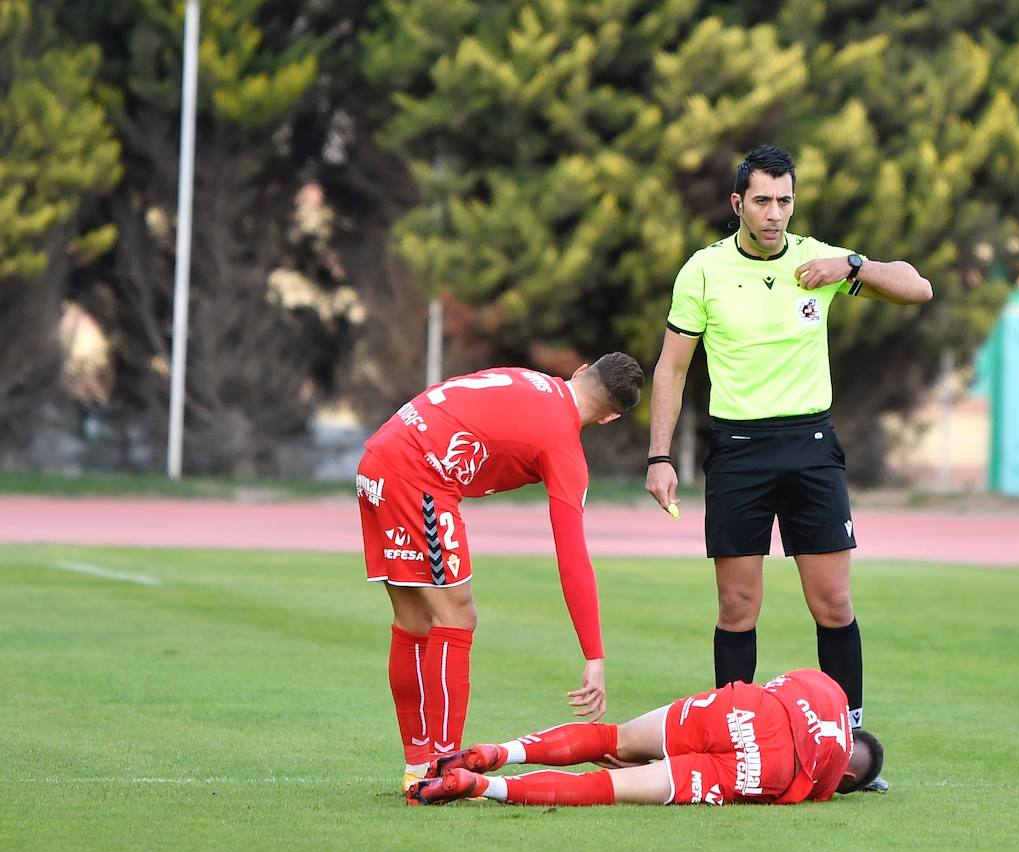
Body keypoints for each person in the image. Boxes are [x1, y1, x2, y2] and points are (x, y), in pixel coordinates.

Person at [644, 145, 932, 791]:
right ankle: (734, 747)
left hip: (811, 447)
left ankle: (849, 746)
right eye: (763, 201)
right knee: (737, 604)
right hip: (739, 452)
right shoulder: (704, 271)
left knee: (832, 603)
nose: (774, 214)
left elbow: (919, 287)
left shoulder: (818, 260)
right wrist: (659, 456)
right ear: (737, 204)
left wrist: (854, 264)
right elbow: (671, 368)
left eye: (785, 200)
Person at [357, 353, 645, 792]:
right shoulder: (563, 447)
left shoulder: (528, 378)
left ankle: (420, 766)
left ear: (581, 370)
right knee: (457, 617)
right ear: (608, 418)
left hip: (379, 457)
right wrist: (594, 654)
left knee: (415, 620)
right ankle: (444, 770)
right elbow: (571, 555)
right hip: (418, 477)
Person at [407, 668, 885, 806]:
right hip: (765, 767)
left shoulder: (832, 693)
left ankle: (499, 752)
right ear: (848, 777)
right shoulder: (832, 777)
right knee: (608, 788)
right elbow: (804, 790)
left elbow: (783, 681)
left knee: (613, 738)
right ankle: (483, 787)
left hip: (747, 710)